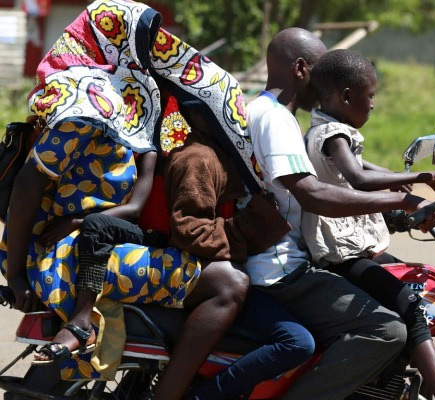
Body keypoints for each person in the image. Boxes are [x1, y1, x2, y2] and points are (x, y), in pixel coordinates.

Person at [0, 1, 249, 399]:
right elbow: (30, 185)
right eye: (142, 38)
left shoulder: (137, 100)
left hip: (103, 238)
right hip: (61, 255)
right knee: (229, 284)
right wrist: (14, 276)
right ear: (111, 38)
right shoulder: (83, 101)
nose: (150, 49)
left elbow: (137, 201)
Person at [243, 27, 435, 400]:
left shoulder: (267, 112)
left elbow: (344, 180)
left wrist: (402, 197)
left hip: (280, 257)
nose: (324, 85)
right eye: (320, 72)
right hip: (282, 268)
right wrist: (403, 202)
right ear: (301, 69)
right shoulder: (275, 119)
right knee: (388, 330)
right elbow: (314, 193)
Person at [301, 49, 435, 400]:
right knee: (411, 303)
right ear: (347, 96)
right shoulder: (333, 134)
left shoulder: (327, 129)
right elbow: (358, 177)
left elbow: (367, 168)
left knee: (415, 279)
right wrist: (409, 190)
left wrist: (419, 177)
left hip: (354, 248)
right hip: (343, 255)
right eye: (371, 96)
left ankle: (416, 374)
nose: (373, 105)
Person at [163, 99, 315, 399]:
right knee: (298, 342)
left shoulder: (224, 154)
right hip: (197, 270)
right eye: (220, 110)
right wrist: (251, 225)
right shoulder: (199, 158)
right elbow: (191, 232)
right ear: (196, 114)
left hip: (238, 264)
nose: (234, 119)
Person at [32, 150, 167, 364]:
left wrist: (78, 221)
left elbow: (135, 208)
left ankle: (81, 323)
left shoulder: (147, 151)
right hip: (121, 224)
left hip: (153, 234)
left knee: (96, 225)